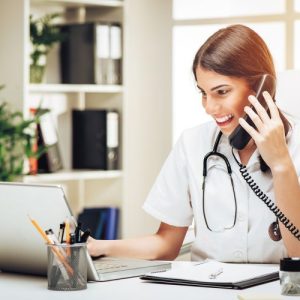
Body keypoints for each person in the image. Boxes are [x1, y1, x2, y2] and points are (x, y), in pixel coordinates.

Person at [87, 24, 300, 263]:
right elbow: (165, 244)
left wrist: (281, 165)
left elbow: (298, 254)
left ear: (262, 88)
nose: (209, 107)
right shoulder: (193, 143)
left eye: (221, 92)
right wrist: (96, 247)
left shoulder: (296, 147)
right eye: (203, 93)